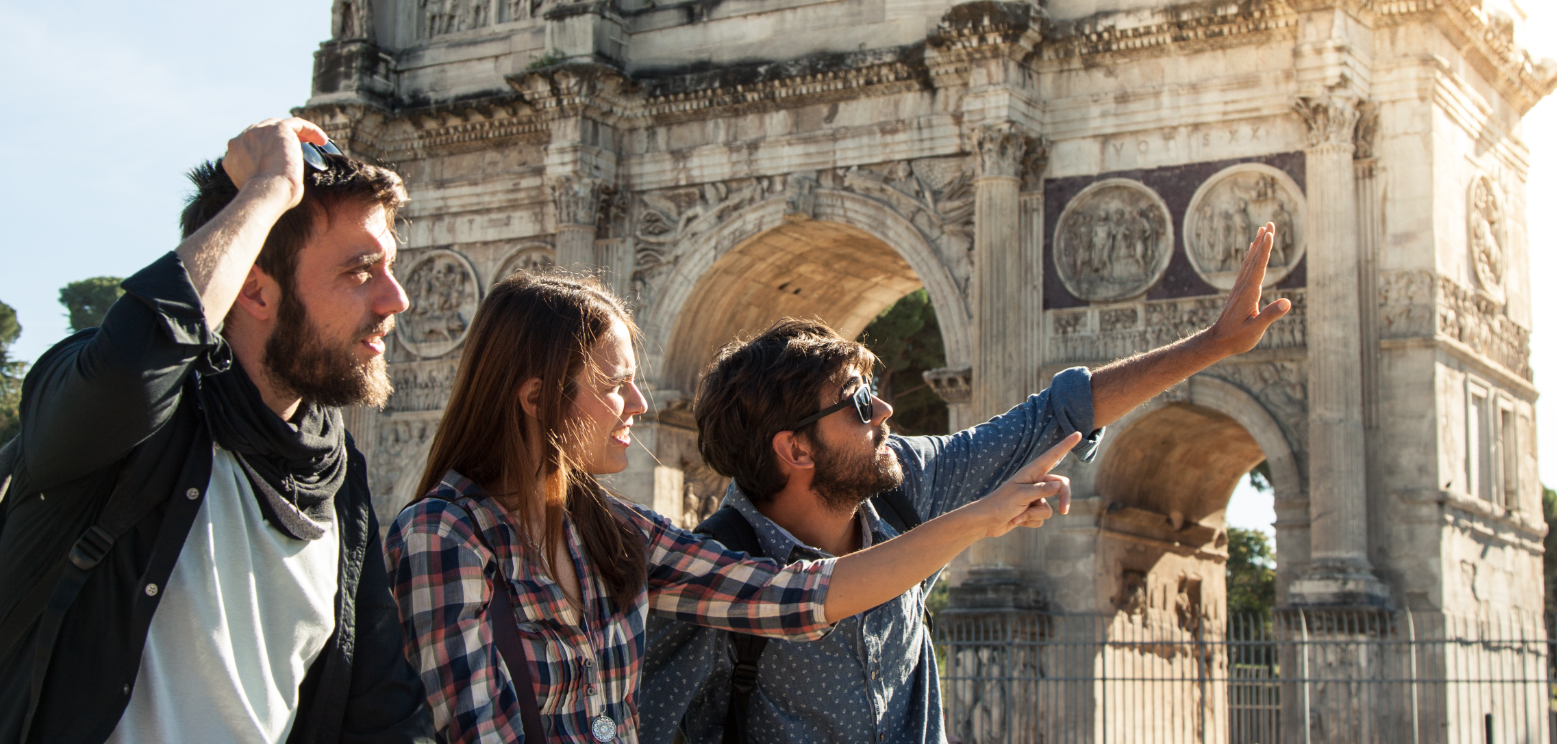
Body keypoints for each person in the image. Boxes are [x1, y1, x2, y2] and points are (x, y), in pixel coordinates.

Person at [639, 225, 1291, 744]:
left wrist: (1212, 344)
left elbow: (1059, 411)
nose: (886, 412)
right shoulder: (713, 581)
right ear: (794, 449)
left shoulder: (907, 484)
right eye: (860, 403)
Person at [385, 272, 1082, 744]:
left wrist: (981, 518)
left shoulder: (615, 530)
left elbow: (794, 597)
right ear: (535, 399)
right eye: (615, 385)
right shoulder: (440, 535)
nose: (639, 404)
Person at [0, 118, 434, 744]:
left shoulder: (337, 477)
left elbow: (382, 712)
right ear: (254, 290)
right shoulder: (120, 426)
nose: (397, 299)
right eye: (360, 270)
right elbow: (133, 368)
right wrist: (269, 188)